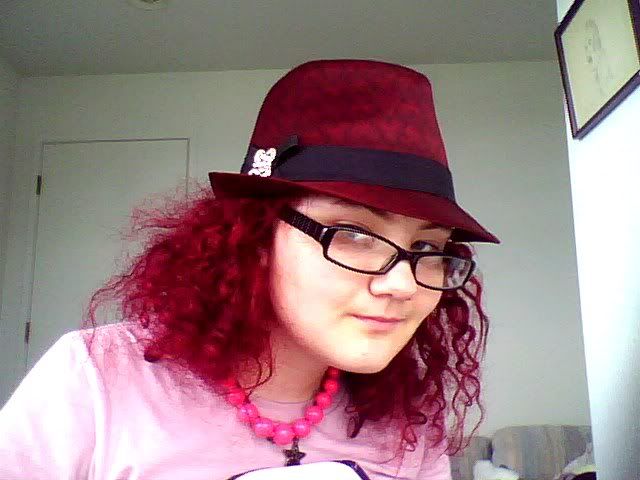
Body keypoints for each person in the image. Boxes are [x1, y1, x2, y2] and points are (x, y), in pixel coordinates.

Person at [0, 59, 499, 479]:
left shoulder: (408, 423)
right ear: (256, 240)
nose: (403, 283)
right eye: (354, 235)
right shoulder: (99, 378)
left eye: (429, 247)